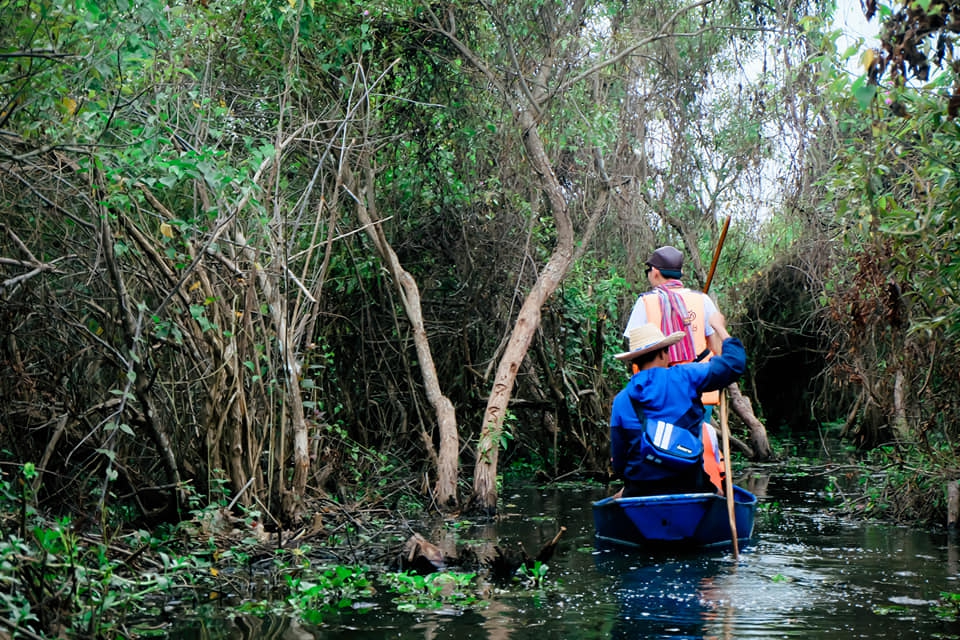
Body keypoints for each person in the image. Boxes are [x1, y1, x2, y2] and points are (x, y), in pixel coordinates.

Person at [609, 314, 745, 498]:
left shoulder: (621, 400)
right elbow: (734, 364)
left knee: (618, 498)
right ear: (662, 353)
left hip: (640, 488)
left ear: (636, 362)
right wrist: (719, 327)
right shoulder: (686, 376)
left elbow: (619, 462)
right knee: (719, 493)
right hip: (690, 483)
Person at [623, 245, 723, 364]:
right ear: (681, 272)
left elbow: (635, 346)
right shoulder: (702, 299)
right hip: (699, 376)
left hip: (662, 378)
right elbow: (716, 347)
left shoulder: (645, 301)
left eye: (647, 271)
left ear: (655, 272)